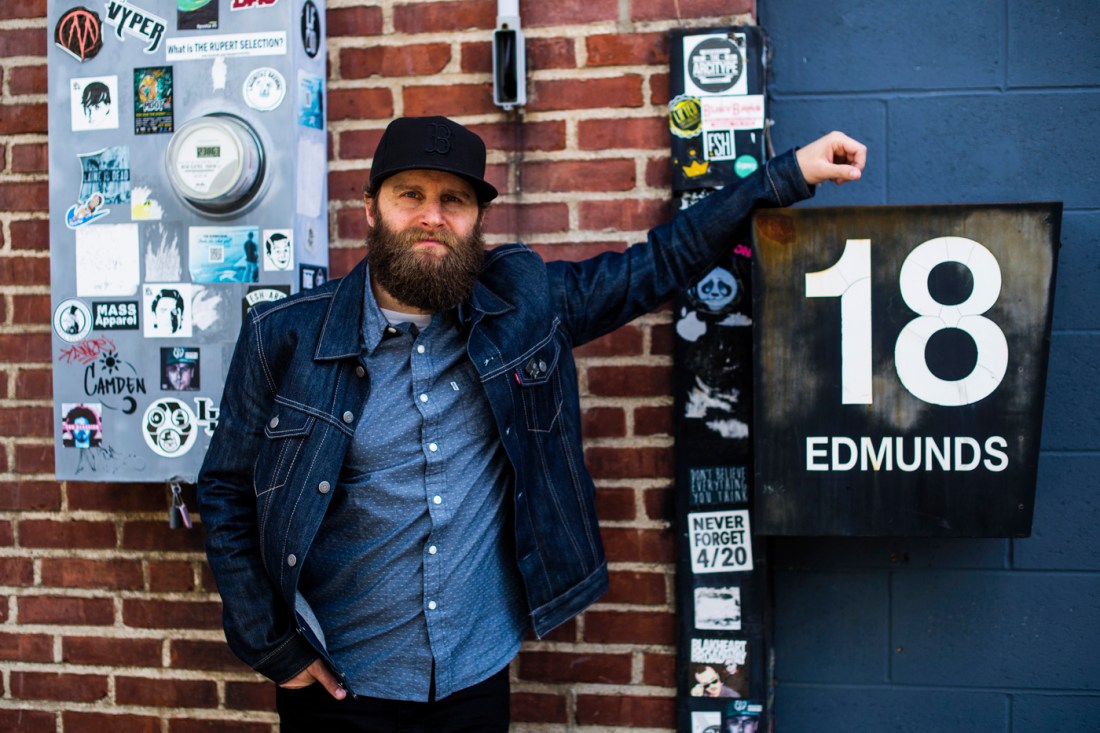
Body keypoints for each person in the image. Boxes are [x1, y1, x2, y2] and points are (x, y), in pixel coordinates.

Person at [197, 115, 865, 732]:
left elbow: (657, 263)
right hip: (337, 685)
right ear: (370, 208)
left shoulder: (525, 304)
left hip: (473, 678)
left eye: (454, 200)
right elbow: (224, 491)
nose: (432, 217)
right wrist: (269, 644)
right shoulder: (283, 336)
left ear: (478, 220)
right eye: (411, 195)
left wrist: (789, 174)